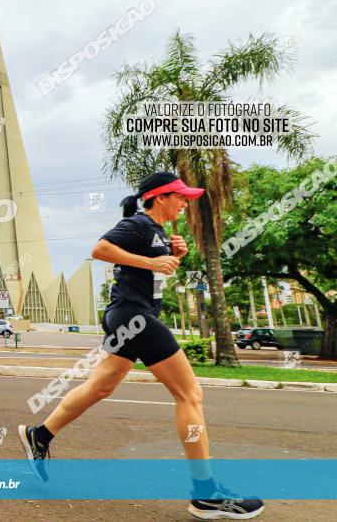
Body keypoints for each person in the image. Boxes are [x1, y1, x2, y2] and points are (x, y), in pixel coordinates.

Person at [17, 171, 264, 520]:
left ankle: (39, 435)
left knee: (101, 385)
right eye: (180, 196)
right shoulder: (138, 224)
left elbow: (151, 270)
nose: (185, 202)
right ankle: (206, 494)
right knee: (190, 395)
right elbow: (100, 248)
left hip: (128, 315)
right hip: (135, 317)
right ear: (160, 196)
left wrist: (173, 252)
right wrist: (152, 260)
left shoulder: (158, 232)